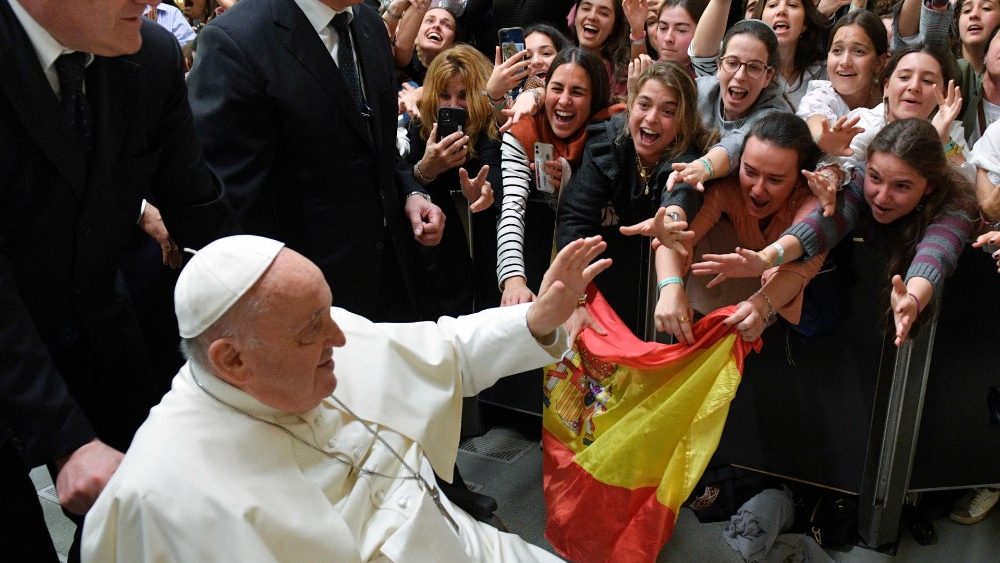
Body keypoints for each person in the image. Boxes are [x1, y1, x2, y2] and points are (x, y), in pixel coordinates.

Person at [81, 234, 612, 562]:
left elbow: (444, 350)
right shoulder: (157, 499)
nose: (340, 338)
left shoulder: (327, 334)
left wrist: (535, 319)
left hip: (468, 545)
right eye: (314, 328)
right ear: (232, 361)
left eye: (330, 312)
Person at [0, 0, 236, 560]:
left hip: (101, 337)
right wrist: (64, 438)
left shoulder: (149, 55)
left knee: (140, 519)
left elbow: (197, 207)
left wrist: (274, 308)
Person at [188, 0, 445, 323]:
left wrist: (410, 192)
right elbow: (234, 201)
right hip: (304, 295)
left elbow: (377, 142)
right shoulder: (236, 40)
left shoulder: (368, 25)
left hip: (393, 279)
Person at [704, 118, 978, 347]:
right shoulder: (857, 179)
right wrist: (767, 258)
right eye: (876, 178)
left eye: (902, 186)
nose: (882, 196)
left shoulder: (956, 203)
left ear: (928, 186)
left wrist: (914, 297)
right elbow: (823, 224)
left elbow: (936, 252)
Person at [626, 112, 833, 344]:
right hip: (726, 309)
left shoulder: (813, 202)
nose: (757, 189)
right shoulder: (728, 189)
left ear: (798, 179)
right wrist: (670, 287)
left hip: (798, 321)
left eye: (775, 179)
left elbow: (803, 265)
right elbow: (676, 236)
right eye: (750, 172)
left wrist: (760, 306)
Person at [557, 61, 713, 334]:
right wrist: (576, 297)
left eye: (668, 111)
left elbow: (680, 197)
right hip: (603, 264)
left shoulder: (689, 157)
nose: (652, 118)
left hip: (656, 274)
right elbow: (575, 217)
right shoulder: (607, 141)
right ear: (630, 105)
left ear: (684, 121)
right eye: (644, 105)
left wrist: (671, 222)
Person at [497, 47, 614, 306]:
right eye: (557, 89)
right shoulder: (522, 128)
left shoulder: (610, 130)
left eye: (577, 92)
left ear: (595, 99)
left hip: (606, 272)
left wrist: (574, 188)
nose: (563, 101)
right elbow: (512, 209)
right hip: (537, 265)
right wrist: (514, 279)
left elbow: (618, 215)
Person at [406, 44, 497, 316]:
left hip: (486, 255)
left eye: (463, 96)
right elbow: (406, 181)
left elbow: (493, 171)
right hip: (438, 264)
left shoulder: (490, 127)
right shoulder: (420, 127)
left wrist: (483, 192)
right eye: (444, 95)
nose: (453, 106)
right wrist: (427, 168)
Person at [672, 17, 792, 190]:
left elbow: (739, 142)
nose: (740, 76)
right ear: (719, 65)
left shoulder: (776, 115)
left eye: (754, 67)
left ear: (769, 76)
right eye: (732, 63)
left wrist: (705, 166)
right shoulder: (699, 91)